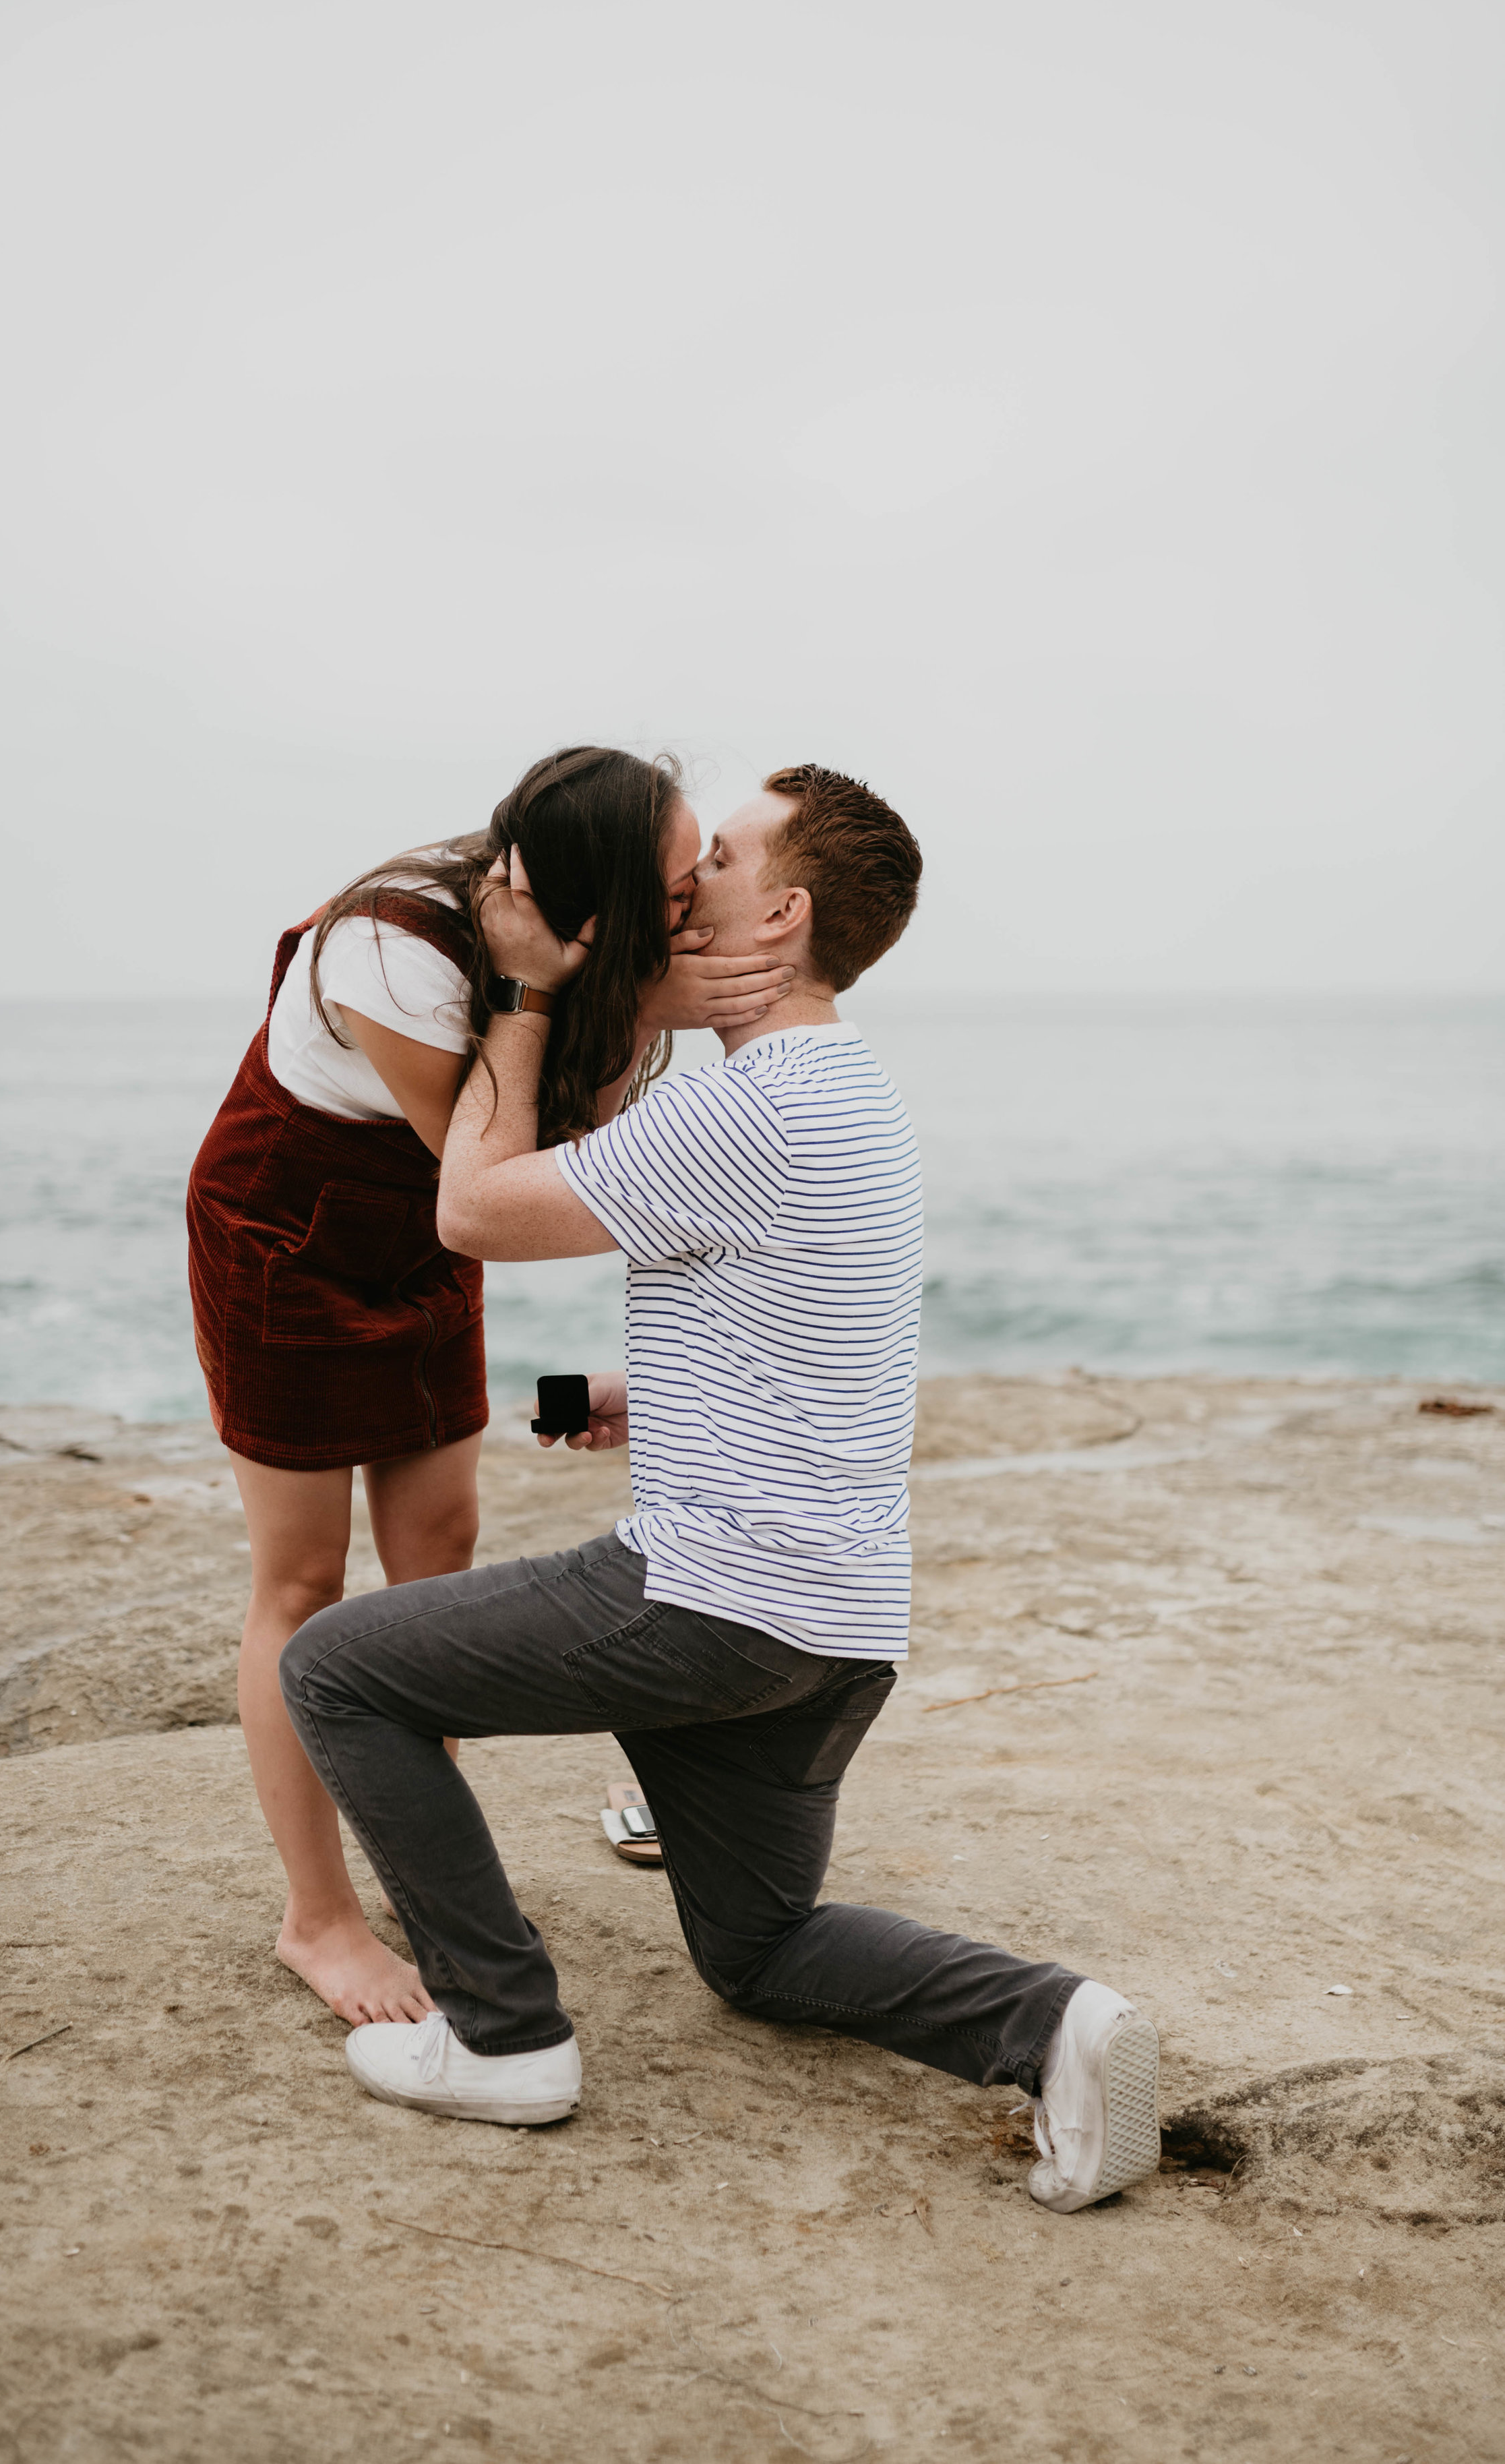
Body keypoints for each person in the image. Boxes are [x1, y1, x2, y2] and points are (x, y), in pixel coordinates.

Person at [278, 765, 1163, 2215]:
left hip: (714, 1607)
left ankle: (502, 2038)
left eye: (723, 859)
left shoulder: (746, 1104)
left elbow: (468, 1212)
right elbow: (821, 1322)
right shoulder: (849, 1096)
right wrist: (649, 1398)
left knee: (339, 1670)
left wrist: (520, 990)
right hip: (832, 1631)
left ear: (786, 910)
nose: (682, 885)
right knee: (755, 1954)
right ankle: (1054, 2023)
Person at [187, 746, 794, 2028]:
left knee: (442, 1563)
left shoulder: (595, 948)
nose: (696, 908)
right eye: (680, 888)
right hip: (289, 1239)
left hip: (428, 1233)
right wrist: (577, 995)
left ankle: (417, 1865)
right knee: (301, 1581)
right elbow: (521, 1163)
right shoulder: (395, 953)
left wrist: (631, 995)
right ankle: (320, 1917)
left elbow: (525, 1170)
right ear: (602, 904)